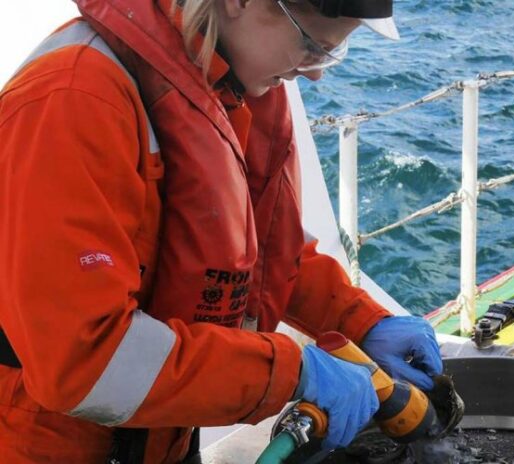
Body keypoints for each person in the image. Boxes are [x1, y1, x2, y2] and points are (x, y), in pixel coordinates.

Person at [0, 0, 443, 462]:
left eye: (331, 54)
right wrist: (291, 373)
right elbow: (84, 360)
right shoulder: (72, 99)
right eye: (311, 46)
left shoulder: (225, 83)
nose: (315, 74)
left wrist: (361, 320)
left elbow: (256, 251)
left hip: (156, 438)